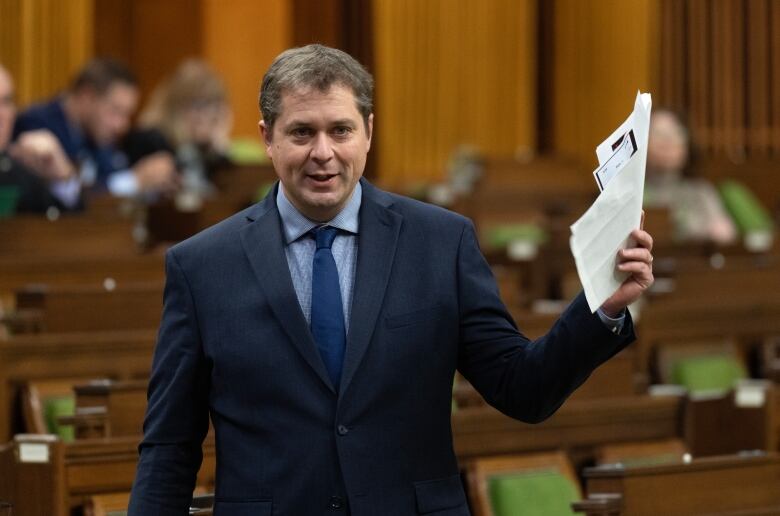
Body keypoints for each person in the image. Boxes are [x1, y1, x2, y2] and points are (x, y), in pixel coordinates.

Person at [128, 44, 654, 515]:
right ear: (267, 139)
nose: (323, 153)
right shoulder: (201, 266)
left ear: (369, 132)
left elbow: (524, 390)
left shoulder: (440, 243)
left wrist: (602, 307)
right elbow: (170, 445)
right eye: (301, 133)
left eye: (340, 130)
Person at [12, 58, 178, 208]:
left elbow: (107, 180)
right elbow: (65, 200)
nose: (122, 125)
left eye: (127, 114)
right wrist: (135, 181)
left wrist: (150, 186)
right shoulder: (37, 125)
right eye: (116, 111)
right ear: (87, 97)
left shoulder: (97, 135)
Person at [124, 58, 232, 196]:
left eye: (215, 105)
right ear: (175, 106)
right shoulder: (151, 141)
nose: (207, 115)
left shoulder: (206, 149)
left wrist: (219, 147)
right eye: (198, 104)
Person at [644, 109, 737, 244]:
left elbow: (725, 234)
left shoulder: (701, 192)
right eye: (658, 134)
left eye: (676, 134)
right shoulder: (632, 195)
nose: (667, 142)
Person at [0, 64, 63, 214]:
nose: (1, 114)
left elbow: (65, 221)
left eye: (6, 102)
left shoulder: (16, 171)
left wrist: (63, 177)